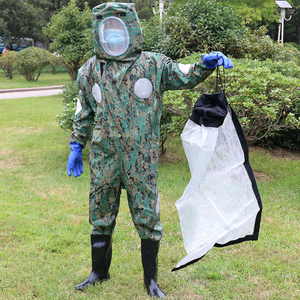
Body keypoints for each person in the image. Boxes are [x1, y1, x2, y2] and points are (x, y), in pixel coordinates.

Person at [67, 2, 233, 298]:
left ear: (131, 29)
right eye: (109, 30)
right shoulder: (92, 69)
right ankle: (98, 272)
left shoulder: (153, 65)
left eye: (119, 30)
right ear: (100, 32)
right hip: (104, 156)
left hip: (141, 160)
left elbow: (184, 75)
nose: (114, 36)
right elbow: (84, 109)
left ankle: (151, 281)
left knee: (147, 217)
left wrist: (204, 65)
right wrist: (76, 144)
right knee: (100, 212)